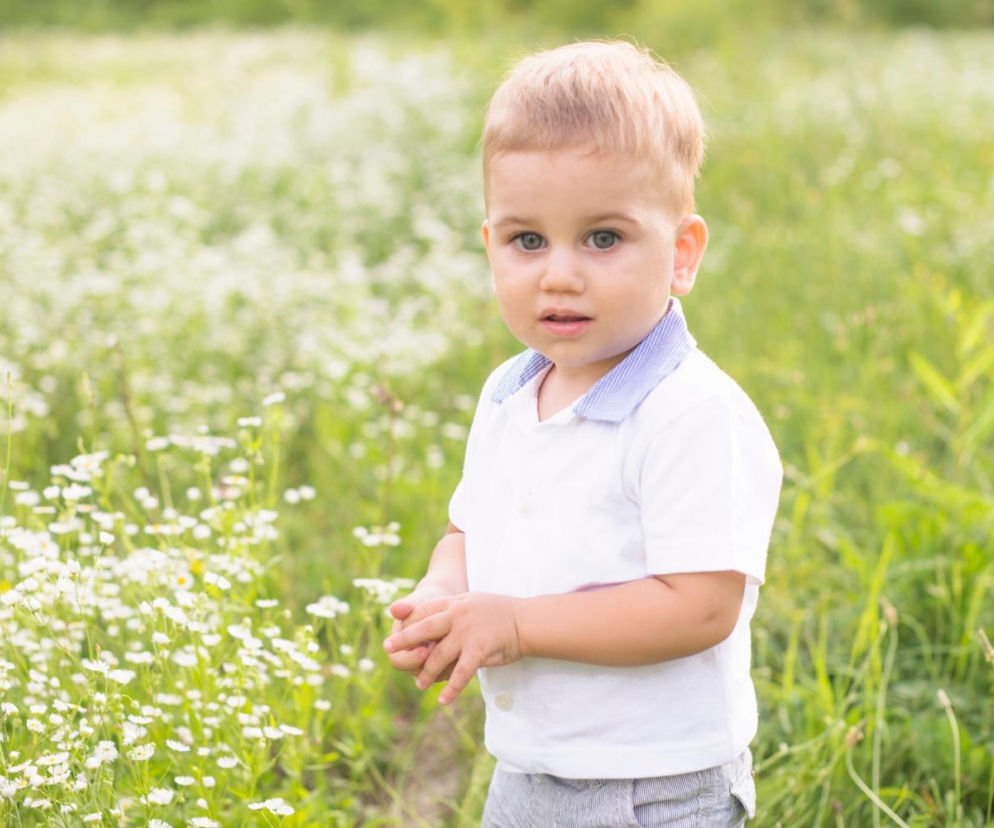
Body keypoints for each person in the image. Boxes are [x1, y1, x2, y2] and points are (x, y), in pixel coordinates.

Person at [383, 39, 782, 827]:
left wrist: (519, 624)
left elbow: (700, 604)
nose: (559, 274)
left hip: (656, 785)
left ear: (681, 253)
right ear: (490, 243)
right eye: (528, 240)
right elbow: (471, 528)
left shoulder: (689, 411)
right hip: (529, 767)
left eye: (603, 238)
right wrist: (445, 592)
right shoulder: (509, 392)